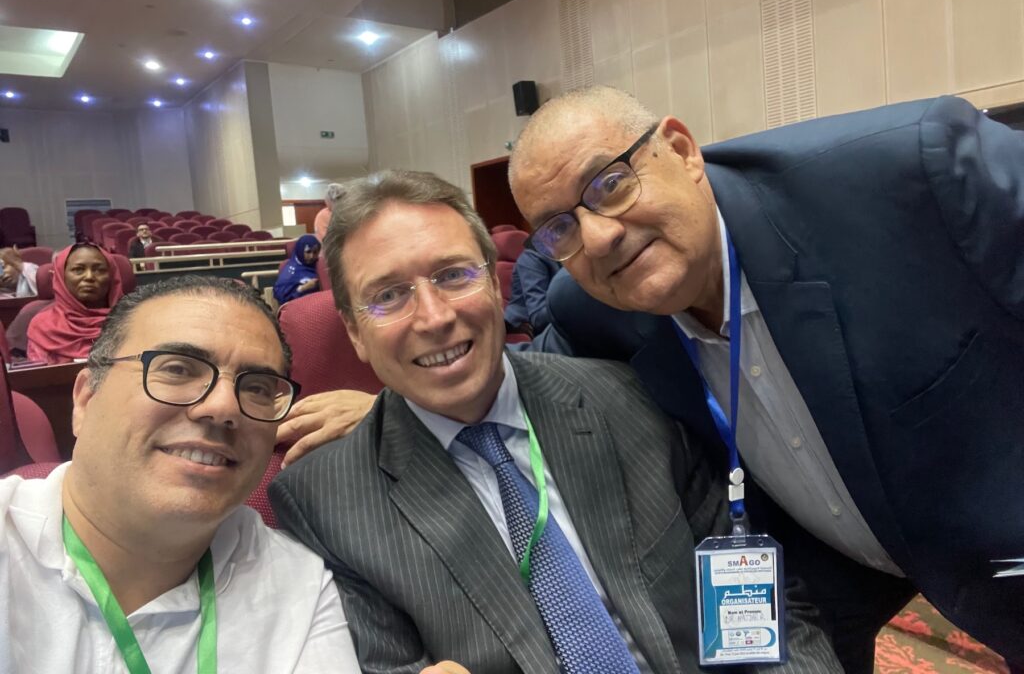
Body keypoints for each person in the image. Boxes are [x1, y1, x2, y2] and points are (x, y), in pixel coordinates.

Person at [507, 86, 1024, 671]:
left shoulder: (916, 170)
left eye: (610, 184)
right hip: (817, 567)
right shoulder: (590, 307)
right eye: (559, 228)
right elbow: (507, 393)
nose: (599, 237)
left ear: (681, 151)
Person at [269, 170, 839, 674]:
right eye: (390, 296)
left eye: (453, 275)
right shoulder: (325, 504)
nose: (435, 317)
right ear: (353, 332)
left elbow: (758, 612)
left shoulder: (628, 396)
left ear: (494, 287)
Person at [1, 275, 364, 671]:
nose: (223, 407)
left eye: (258, 388)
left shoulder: (299, 587)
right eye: (177, 369)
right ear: (86, 399)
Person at [27, 242, 124, 364]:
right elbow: (38, 374)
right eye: (78, 270)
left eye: (99, 270)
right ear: (61, 277)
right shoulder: (42, 326)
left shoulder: (133, 321)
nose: (89, 277)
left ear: (112, 276)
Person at [503, 248, 561, 336]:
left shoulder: (571, 255)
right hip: (522, 327)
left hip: (554, 326)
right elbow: (539, 318)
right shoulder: (531, 257)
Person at [273, 234, 321, 306]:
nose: (312, 256)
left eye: (315, 252)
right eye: (308, 252)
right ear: (300, 251)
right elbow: (281, 296)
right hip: (298, 307)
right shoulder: (290, 270)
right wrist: (303, 288)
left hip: (319, 303)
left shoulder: (320, 265)